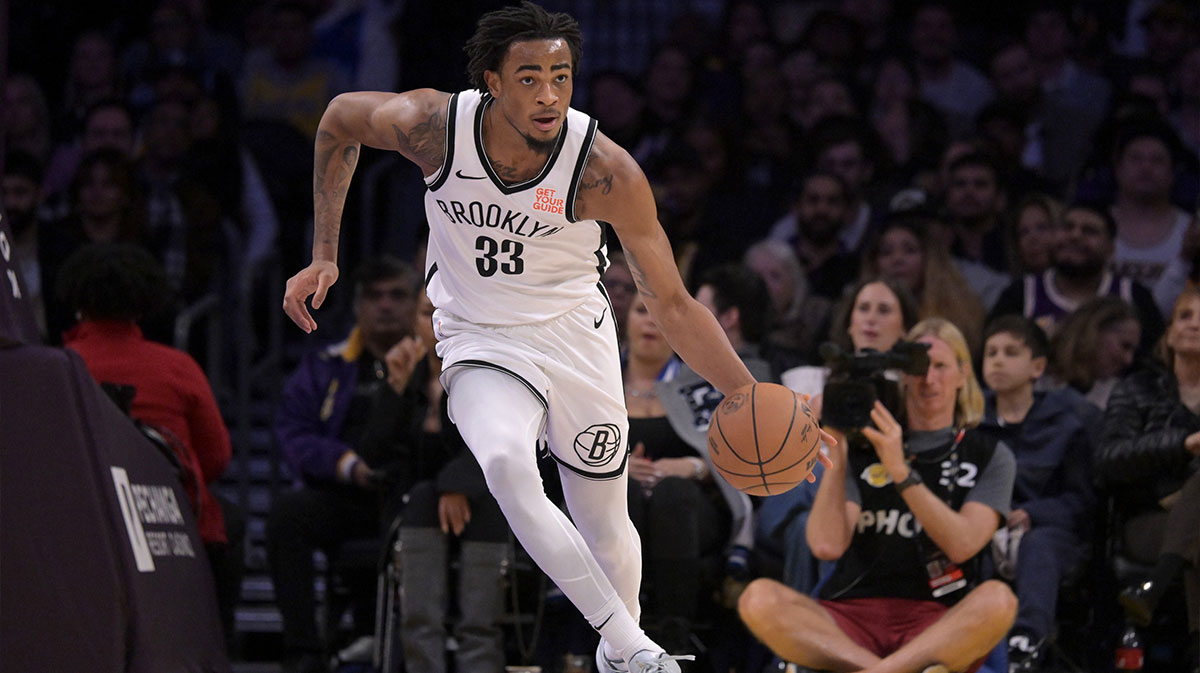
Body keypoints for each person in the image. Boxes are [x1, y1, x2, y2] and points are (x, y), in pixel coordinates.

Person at [279, 5, 830, 672]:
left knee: (603, 517)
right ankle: (630, 643)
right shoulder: (431, 127)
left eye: (561, 77)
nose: (548, 95)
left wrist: (748, 392)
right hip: (479, 337)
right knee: (508, 464)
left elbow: (673, 303)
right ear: (492, 81)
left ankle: (615, 657)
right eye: (531, 77)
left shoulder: (604, 169)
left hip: (577, 337)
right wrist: (324, 251)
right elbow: (338, 120)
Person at [738, 318, 1018, 673]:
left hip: (937, 619)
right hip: (849, 616)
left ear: (963, 375)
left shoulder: (989, 454)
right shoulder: (862, 447)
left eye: (941, 367)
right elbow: (826, 546)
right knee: (759, 598)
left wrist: (900, 471)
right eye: (917, 368)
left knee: (998, 599)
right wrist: (837, 461)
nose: (929, 379)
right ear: (900, 375)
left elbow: (962, 544)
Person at [56, 243, 240, 647]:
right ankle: (218, 646)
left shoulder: (59, 367)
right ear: (143, 305)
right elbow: (216, 458)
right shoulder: (178, 366)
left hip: (86, 534)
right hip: (179, 528)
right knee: (228, 520)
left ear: (76, 303)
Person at [270, 257, 423, 673]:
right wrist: (344, 464)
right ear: (357, 306)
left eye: (397, 295)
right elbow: (293, 433)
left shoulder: (437, 363)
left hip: (414, 500)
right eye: (374, 297)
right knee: (289, 515)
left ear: (416, 303)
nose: (386, 306)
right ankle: (304, 653)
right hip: (349, 496)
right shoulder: (326, 365)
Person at [766, 277, 920, 595]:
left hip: (877, 492)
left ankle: (813, 629)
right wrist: (811, 417)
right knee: (808, 497)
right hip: (806, 495)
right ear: (849, 323)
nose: (871, 318)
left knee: (804, 528)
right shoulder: (807, 381)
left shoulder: (911, 390)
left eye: (884, 310)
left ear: (905, 328)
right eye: (863, 308)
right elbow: (774, 457)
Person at [395, 288, 511, 673]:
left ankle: (480, 661)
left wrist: (455, 483)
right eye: (427, 312)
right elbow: (381, 453)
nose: (436, 322)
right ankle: (422, 662)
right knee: (423, 496)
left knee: (486, 502)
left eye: (447, 312)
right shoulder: (401, 372)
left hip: (485, 499)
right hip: (411, 506)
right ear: (415, 321)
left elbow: (498, 439)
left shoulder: (486, 368)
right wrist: (392, 391)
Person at [977, 316, 1097, 672]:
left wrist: (1033, 513)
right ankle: (970, 644)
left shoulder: (1068, 422)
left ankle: (1024, 647)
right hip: (985, 527)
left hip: (1048, 532)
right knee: (967, 545)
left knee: (1038, 546)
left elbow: (1082, 500)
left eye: (1011, 352)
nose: (998, 360)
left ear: (1038, 366)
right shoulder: (970, 421)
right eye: (991, 352)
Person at [1100, 287, 1200, 671]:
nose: (1194, 324)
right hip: (1148, 519)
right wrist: (1183, 444)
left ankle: (1156, 587)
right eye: (1185, 315)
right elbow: (1108, 461)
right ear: (1169, 332)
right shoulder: (1138, 389)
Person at [989, 202, 1164, 353]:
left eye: (1089, 231)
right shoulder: (1020, 294)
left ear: (1111, 249)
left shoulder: (1134, 297)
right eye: (1067, 227)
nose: (1075, 235)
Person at [1046, 296, 1144, 410]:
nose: (1129, 360)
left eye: (1133, 351)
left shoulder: (1120, 398)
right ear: (1093, 332)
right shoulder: (1035, 380)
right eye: (1125, 346)